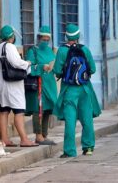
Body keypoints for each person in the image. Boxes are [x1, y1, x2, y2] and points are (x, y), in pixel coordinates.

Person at [53, 24, 101, 158]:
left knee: (70, 121)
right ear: (78, 36)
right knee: (87, 119)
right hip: (85, 89)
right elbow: (92, 69)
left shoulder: (62, 51)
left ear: (66, 36)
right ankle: (88, 147)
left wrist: (62, 74)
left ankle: (70, 151)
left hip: (69, 90)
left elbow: (57, 70)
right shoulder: (85, 49)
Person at [0, 25, 38, 147]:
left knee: (4, 111)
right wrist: (27, 63)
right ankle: (24, 139)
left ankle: (4, 139)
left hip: (0, 84)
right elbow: (16, 63)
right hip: (12, 85)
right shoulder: (10, 47)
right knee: (19, 111)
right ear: (11, 36)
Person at [25, 26, 58, 145]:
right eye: (43, 39)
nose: (46, 42)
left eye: (48, 40)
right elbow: (28, 67)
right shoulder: (32, 51)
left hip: (50, 84)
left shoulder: (50, 51)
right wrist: (41, 67)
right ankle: (38, 136)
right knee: (38, 109)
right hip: (38, 85)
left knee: (48, 109)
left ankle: (44, 135)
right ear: (38, 38)